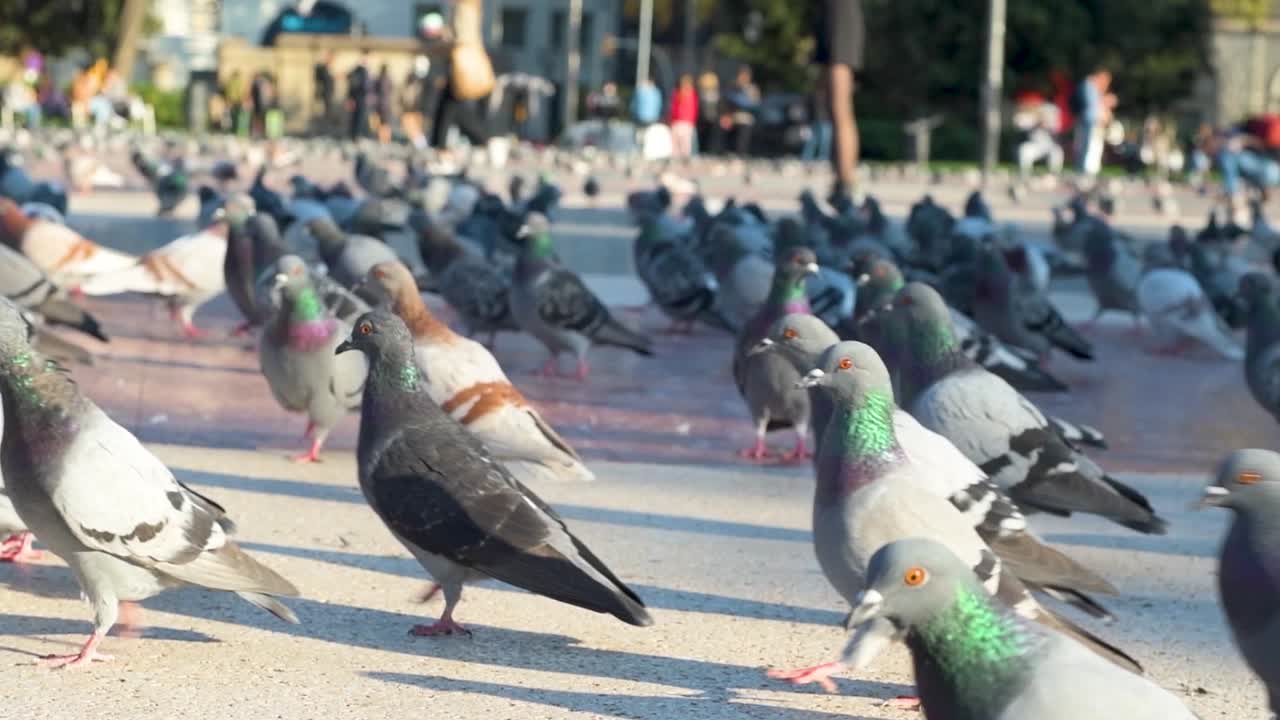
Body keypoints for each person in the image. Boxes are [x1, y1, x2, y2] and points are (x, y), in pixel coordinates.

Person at [814, 0, 865, 201]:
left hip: (840, 19)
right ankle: (841, 179)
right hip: (829, 17)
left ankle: (845, 181)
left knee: (839, 107)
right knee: (832, 107)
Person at [1073, 67, 1113, 181]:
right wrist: (1105, 101)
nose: (1106, 84)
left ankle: (1087, 171)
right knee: (1087, 145)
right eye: (1106, 80)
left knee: (1091, 146)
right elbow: (1092, 106)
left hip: (1091, 121)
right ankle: (1084, 172)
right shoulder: (1089, 86)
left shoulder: (1092, 88)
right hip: (1090, 121)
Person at [1013, 91, 1063, 180]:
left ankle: (1053, 177)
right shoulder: (1029, 113)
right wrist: (1035, 121)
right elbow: (1018, 123)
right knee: (1023, 150)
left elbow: (1057, 127)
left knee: (1057, 151)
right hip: (1034, 145)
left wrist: (1046, 123)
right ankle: (1024, 176)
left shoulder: (1051, 111)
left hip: (1048, 145)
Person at [400, 55, 433, 149]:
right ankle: (416, 144)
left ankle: (421, 146)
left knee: (417, 129)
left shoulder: (427, 80)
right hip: (410, 107)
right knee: (410, 127)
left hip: (419, 108)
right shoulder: (411, 78)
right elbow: (406, 93)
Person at [726, 66, 759, 157]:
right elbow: (728, 102)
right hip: (734, 119)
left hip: (746, 119)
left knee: (743, 142)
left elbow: (754, 103)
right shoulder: (734, 86)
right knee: (731, 141)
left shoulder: (752, 88)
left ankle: (741, 157)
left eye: (745, 75)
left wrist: (741, 99)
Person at [801, 79, 832, 163]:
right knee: (811, 141)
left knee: (825, 141)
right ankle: (806, 158)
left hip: (826, 121)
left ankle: (823, 158)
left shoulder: (828, 96)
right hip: (814, 121)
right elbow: (807, 110)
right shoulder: (812, 97)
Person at [669, 75, 698, 160]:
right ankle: (682, 159)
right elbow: (694, 109)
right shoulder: (690, 94)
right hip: (683, 122)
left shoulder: (679, 94)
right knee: (682, 144)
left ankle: (682, 159)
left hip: (682, 122)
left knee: (682, 144)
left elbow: (673, 109)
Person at [346, 53, 371, 140]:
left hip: (359, 99)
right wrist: (351, 98)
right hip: (358, 99)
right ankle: (355, 135)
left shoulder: (362, 72)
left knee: (357, 118)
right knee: (357, 118)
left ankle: (355, 135)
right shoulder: (359, 72)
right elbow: (353, 86)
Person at [697, 72, 722, 155]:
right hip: (703, 121)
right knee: (703, 141)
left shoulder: (716, 94)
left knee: (711, 141)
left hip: (713, 121)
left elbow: (720, 108)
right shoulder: (700, 94)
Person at [313, 51, 335, 134]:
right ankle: (320, 131)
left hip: (329, 95)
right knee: (320, 114)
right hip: (322, 95)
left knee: (328, 114)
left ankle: (327, 130)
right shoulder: (322, 68)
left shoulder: (330, 69)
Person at [373, 63, 395, 143]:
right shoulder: (388, 79)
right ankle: (385, 139)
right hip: (386, 105)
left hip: (381, 105)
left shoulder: (379, 79)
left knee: (383, 123)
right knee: (385, 123)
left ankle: (383, 138)